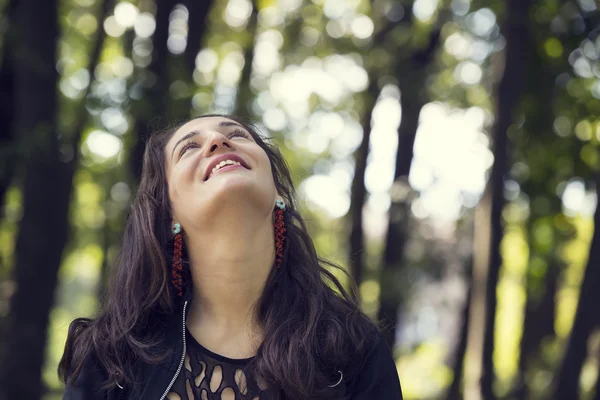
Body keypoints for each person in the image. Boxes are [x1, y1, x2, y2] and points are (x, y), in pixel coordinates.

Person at [58, 115, 403, 399]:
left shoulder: (353, 351)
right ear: (168, 214)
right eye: (189, 147)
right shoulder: (110, 360)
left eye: (236, 135)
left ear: (278, 192)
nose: (217, 143)